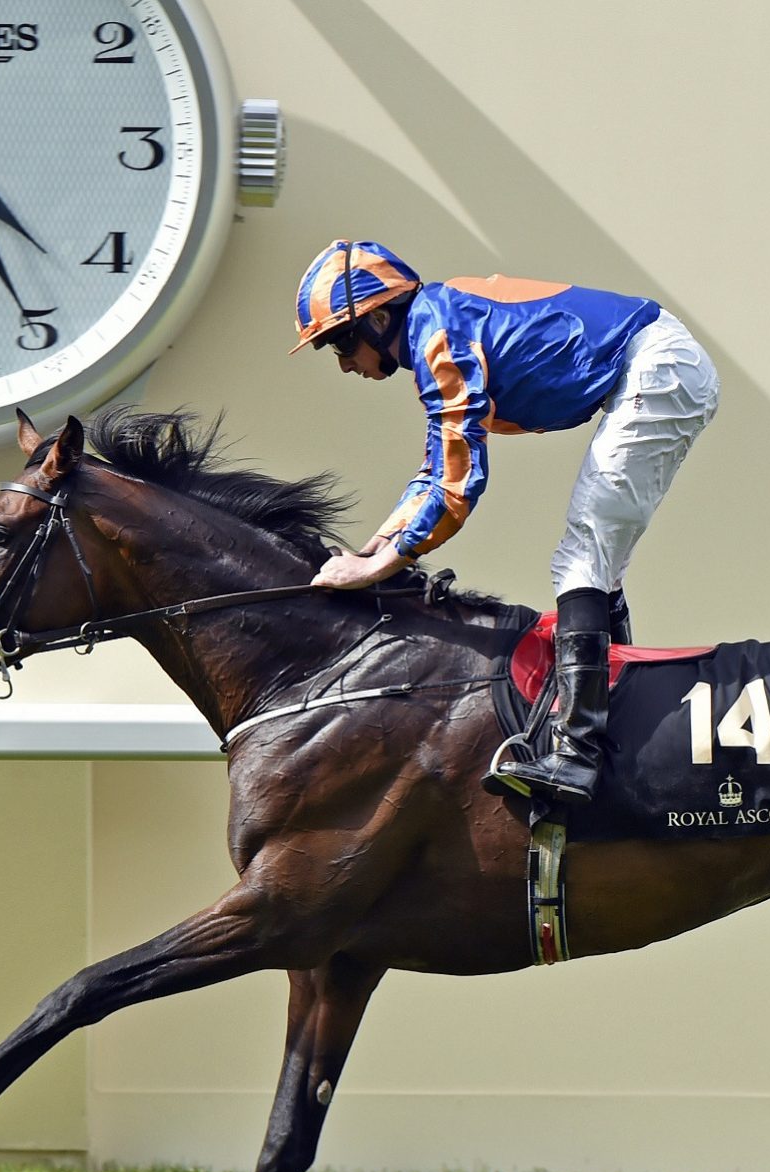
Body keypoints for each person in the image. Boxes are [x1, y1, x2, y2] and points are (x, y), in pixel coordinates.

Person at [290, 239, 719, 805]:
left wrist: (382, 567)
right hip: (659, 361)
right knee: (596, 560)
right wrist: (371, 553)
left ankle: (580, 753)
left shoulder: (438, 335)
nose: (344, 363)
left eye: (341, 341)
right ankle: (609, 726)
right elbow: (435, 469)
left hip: (658, 363)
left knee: (582, 555)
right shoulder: (432, 325)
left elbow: (457, 484)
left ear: (381, 317)